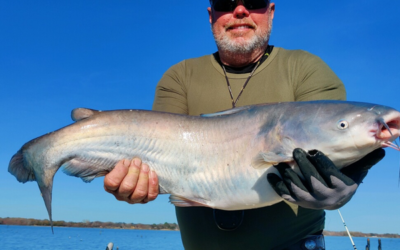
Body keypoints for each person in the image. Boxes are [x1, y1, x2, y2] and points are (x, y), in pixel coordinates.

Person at [104, 1, 384, 249]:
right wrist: (136, 182)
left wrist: (347, 182)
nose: (240, 10)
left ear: (271, 12)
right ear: (211, 14)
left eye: (254, 1)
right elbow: (156, 160)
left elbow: (334, 138)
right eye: (226, 2)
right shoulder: (179, 77)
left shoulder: (305, 68)